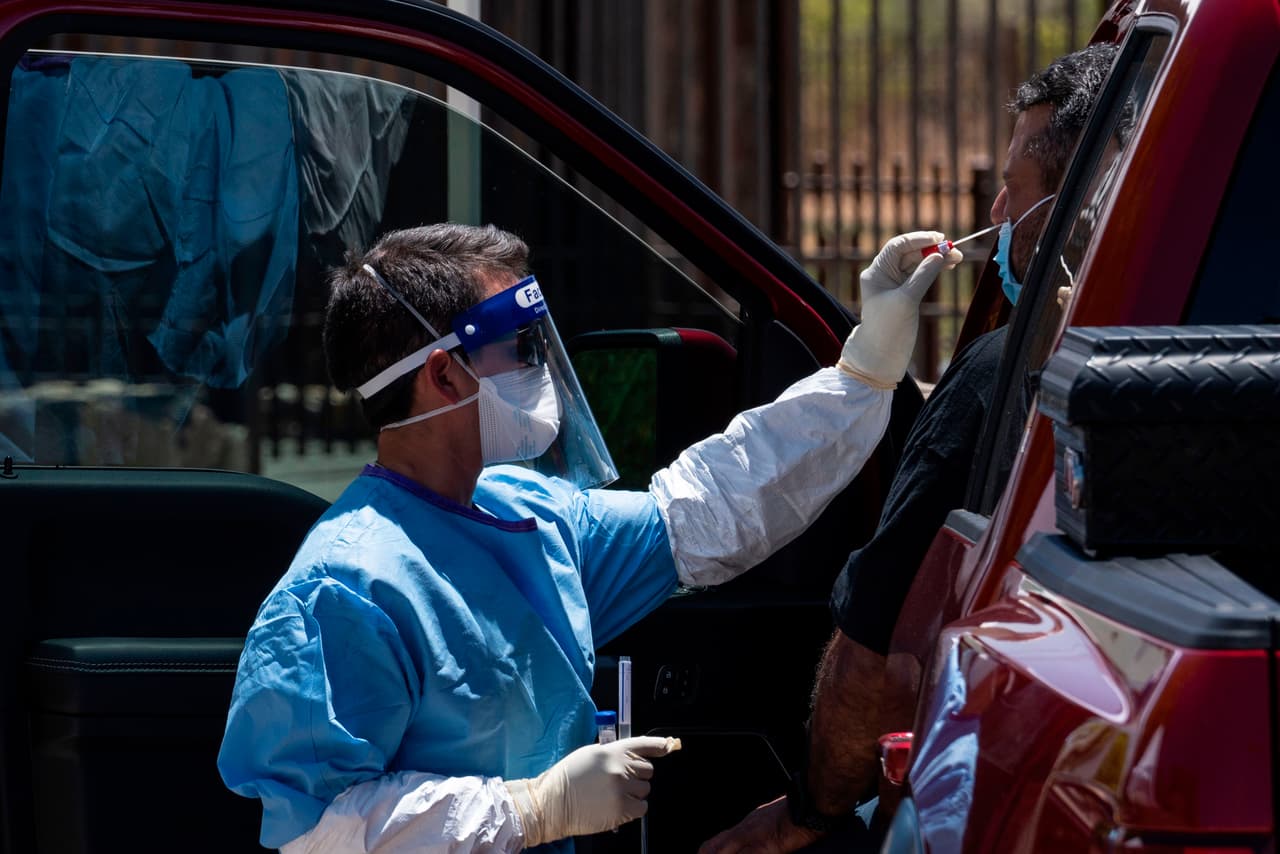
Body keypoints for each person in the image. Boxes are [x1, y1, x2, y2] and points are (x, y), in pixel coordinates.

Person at [217, 221, 962, 852]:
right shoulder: (344, 589)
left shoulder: (528, 513)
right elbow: (319, 831)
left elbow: (710, 507)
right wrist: (534, 808)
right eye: (520, 345)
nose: (539, 366)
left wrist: (864, 370)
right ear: (443, 376)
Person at [698, 42, 1119, 854]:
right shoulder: (1182, 360)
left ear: (1076, 209)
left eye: (1016, 187)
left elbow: (879, 660)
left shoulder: (1002, 374)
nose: (997, 208)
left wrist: (805, 815)